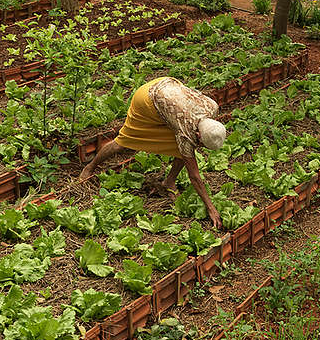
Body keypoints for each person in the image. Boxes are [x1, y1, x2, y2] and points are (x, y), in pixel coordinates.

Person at [80, 77, 227, 229]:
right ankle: (89, 167)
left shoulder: (212, 107)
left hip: (169, 89)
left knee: (185, 149)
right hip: (147, 99)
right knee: (123, 141)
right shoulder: (186, 132)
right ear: (198, 135)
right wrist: (211, 207)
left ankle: (169, 182)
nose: (202, 147)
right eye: (203, 144)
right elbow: (194, 176)